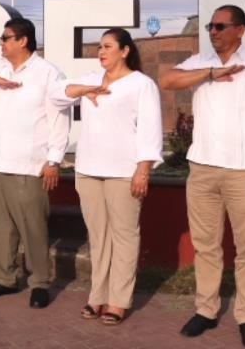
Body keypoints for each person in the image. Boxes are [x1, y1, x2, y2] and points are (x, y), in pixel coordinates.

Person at [159, 5, 245, 348]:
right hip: (202, 169)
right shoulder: (200, 62)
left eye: (220, 26)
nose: (213, 32)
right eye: (210, 27)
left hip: (244, 171)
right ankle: (206, 310)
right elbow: (167, 81)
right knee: (206, 246)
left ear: (240, 30)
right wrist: (209, 74)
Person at [50, 28, 162, 325]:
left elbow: (151, 131)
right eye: (99, 46)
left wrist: (143, 169)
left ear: (125, 51)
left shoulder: (141, 84)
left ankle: (118, 301)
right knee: (98, 238)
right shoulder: (90, 79)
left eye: (108, 46)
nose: (101, 51)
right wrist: (83, 90)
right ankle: (96, 297)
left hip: (124, 172)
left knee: (124, 236)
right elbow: (55, 94)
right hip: (88, 170)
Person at [0, 17, 70, 309]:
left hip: (28, 164)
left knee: (33, 227)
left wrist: (54, 160)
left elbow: (60, 120)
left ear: (23, 40)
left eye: (6, 38)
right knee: (0, 228)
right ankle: (5, 278)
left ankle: (39, 283)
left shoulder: (48, 73)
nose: (1, 42)